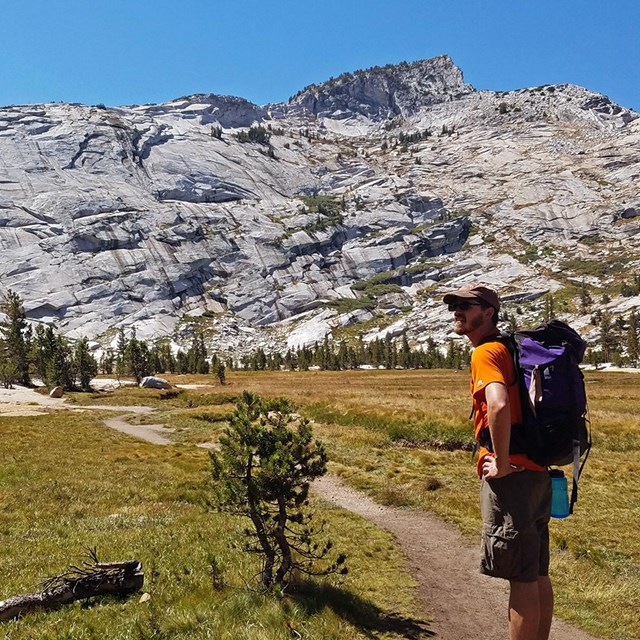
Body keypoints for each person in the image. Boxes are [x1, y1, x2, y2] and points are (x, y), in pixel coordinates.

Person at [443, 283, 553, 640]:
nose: (457, 311)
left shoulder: (486, 352)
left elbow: (499, 404)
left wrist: (502, 463)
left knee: (520, 578)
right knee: (536, 571)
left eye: (466, 305)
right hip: (537, 471)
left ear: (488, 312)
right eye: (454, 305)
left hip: (513, 477)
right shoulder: (511, 348)